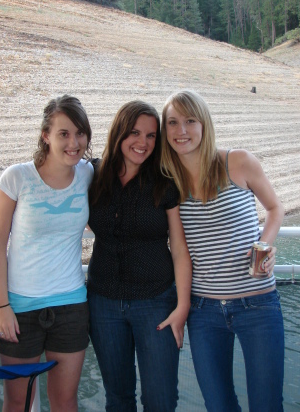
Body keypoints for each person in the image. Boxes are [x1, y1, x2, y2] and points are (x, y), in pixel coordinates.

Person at [161, 89, 285, 412]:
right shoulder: (168, 180)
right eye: (172, 123)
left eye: (190, 120)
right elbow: (180, 250)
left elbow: (275, 208)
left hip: (257, 303)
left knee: (267, 406)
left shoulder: (238, 162)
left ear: (204, 123)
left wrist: (266, 243)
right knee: (218, 406)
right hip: (203, 312)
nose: (181, 131)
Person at [0, 95, 93, 412]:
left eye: (80, 133)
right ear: (46, 135)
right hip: (19, 308)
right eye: (64, 133)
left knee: (64, 400)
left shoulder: (88, 174)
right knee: (18, 401)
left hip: (71, 305)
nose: (73, 143)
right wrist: (0, 304)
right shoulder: (17, 178)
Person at [87, 100, 192, 412]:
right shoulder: (92, 176)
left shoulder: (164, 182)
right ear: (119, 132)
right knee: (118, 399)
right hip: (102, 303)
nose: (143, 143)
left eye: (151, 136)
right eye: (135, 133)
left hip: (157, 304)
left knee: (160, 401)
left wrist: (182, 306)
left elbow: (180, 250)